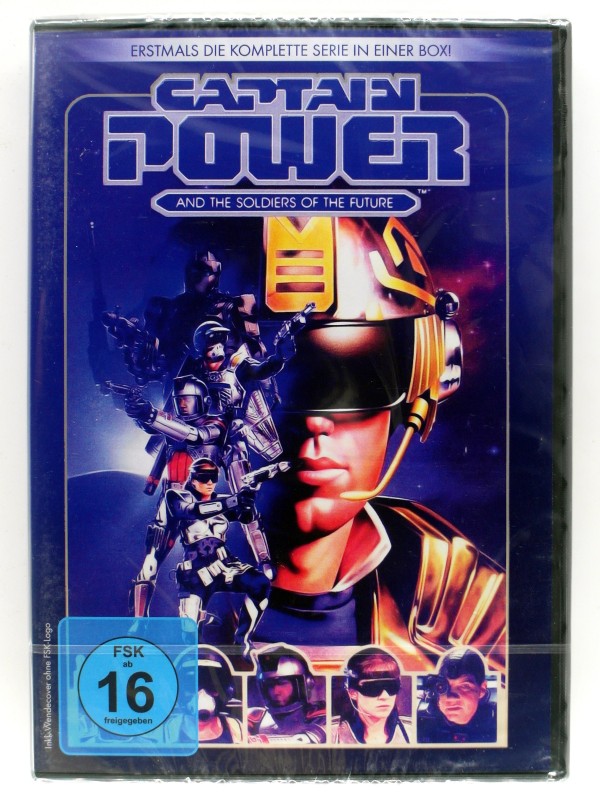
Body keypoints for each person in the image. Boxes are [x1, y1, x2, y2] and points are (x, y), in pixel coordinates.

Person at [249, 215, 506, 675]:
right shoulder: (132, 559)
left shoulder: (458, 595)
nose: (316, 422)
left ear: (428, 374)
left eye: (357, 376)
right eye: (278, 385)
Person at [166, 457, 271, 658]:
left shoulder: (222, 500)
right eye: (203, 477)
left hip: (224, 565)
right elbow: (193, 511)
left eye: (213, 477)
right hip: (195, 573)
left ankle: (242, 641)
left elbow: (246, 517)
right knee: (189, 639)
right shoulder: (177, 497)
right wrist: (234, 501)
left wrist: (249, 497)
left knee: (260, 583)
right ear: (193, 479)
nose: (209, 482)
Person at [417, 647, 497, 744]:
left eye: (464, 686)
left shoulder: (497, 722)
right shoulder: (422, 722)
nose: (451, 698)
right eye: (442, 686)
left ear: (482, 689)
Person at [247, 645, 326, 743]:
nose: (275, 691)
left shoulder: (321, 715)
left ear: (305, 683)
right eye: (270, 685)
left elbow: (303, 741)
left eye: (282, 683)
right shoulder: (255, 717)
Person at [165, 646, 243, 744]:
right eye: (192, 687)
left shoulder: (234, 727)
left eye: (211, 687)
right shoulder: (169, 730)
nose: (202, 695)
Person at [333, 647, 411, 745]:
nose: (384, 696)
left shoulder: (411, 732)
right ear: (353, 693)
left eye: (391, 686)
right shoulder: (331, 735)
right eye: (373, 688)